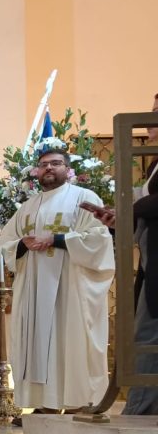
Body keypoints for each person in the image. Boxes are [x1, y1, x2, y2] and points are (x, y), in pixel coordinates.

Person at [0, 144, 114, 412]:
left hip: (70, 285)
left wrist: (57, 239)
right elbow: (6, 240)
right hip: (34, 287)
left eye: (56, 163)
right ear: (37, 172)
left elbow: (99, 238)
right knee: (38, 343)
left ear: (68, 169)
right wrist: (22, 244)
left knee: (70, 340)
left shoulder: (84, 197)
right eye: (44, 165)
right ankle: (44, 403)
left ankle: (76, 402)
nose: (49, 168)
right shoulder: (28, 206)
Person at [82, 96, 158, 415]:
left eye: (155, 114)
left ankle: (139, 411)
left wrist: (128, 209)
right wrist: (119, 219)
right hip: (151, 260)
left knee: (147, 334)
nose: (149, 122)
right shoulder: (154, 164)